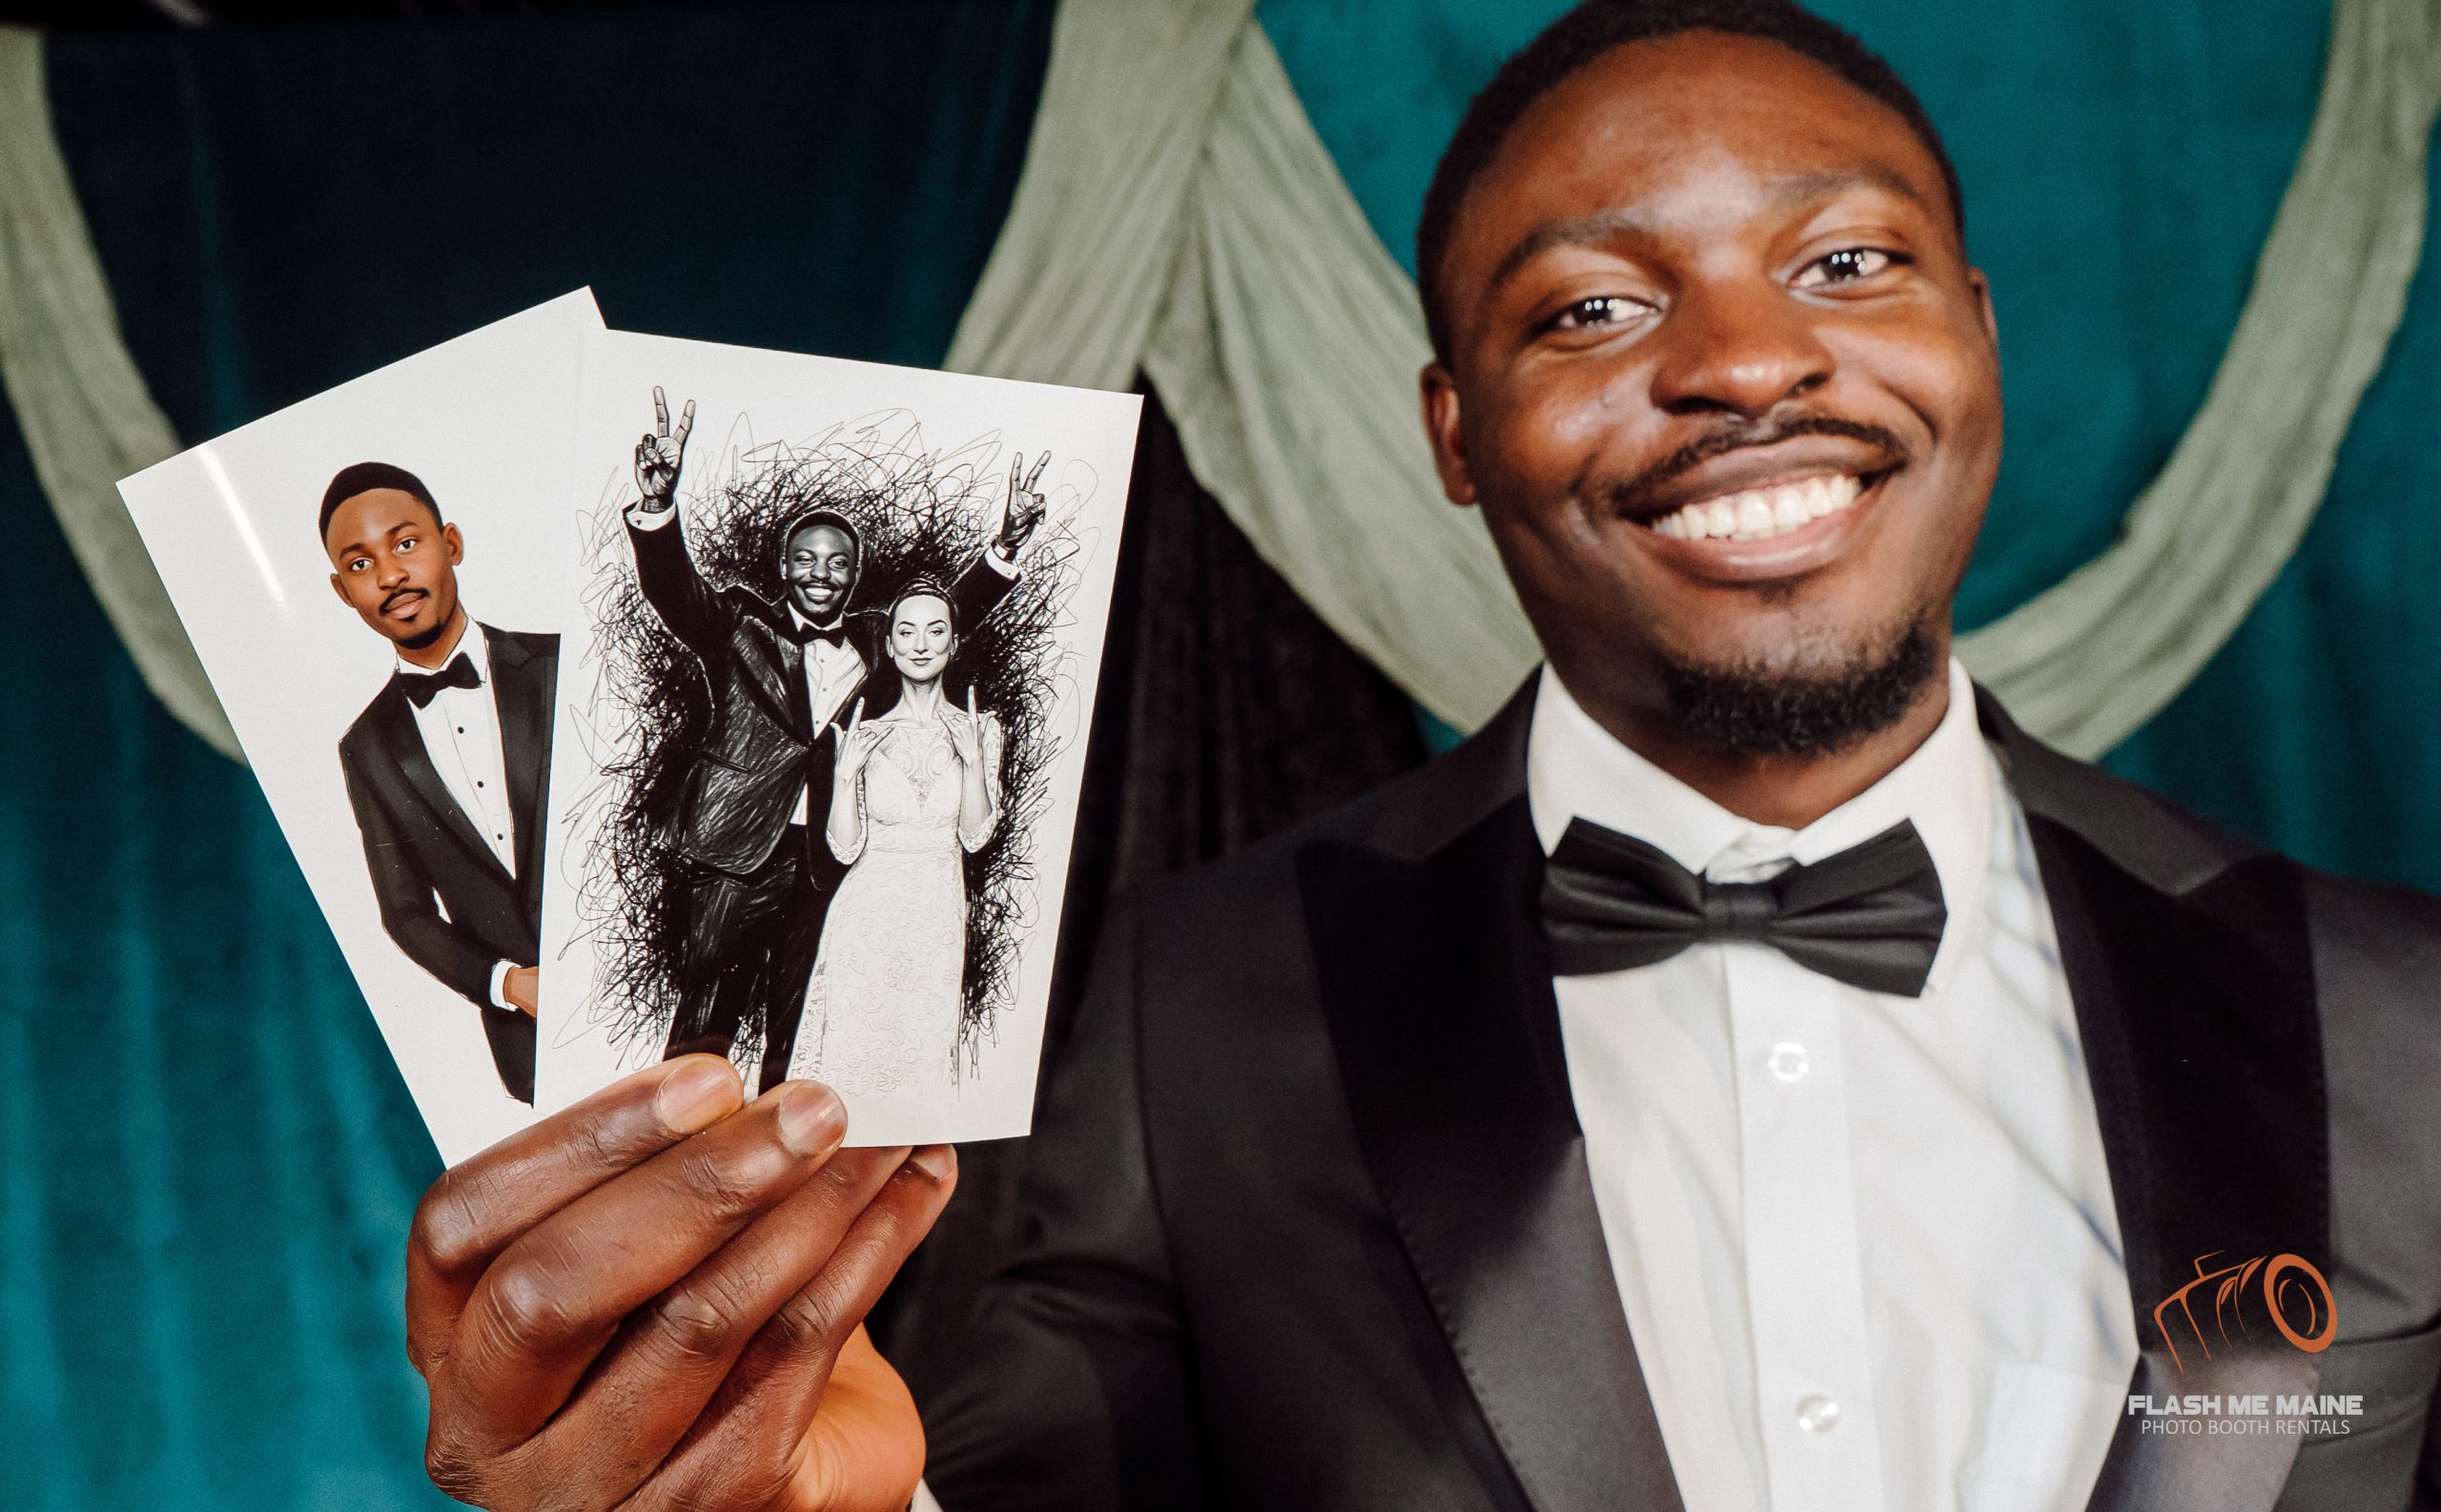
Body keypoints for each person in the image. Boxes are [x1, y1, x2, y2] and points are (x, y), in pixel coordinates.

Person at [399, 3, 2441, 1509]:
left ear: (1977, 333)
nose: (1744, 360)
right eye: (1590, 309)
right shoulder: (1198, 1007)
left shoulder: (2399, 1016)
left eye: (1843, 263)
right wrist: (796, 1497)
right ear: (1455, 436)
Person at [624, 389, 1045, 1088]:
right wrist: (658, 506)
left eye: (838, 563)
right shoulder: (737, 625)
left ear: (855, 574)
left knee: (796, 1039)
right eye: (807, 560)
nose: (822, 575)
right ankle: (677, 1144)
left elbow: (946, 616)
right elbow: (672, 588)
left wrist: (1004, 548)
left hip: (828, 862)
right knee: (702, 1030)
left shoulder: (881, 639)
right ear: (783, 567)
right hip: (735, 852)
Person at [328, 461, 552, 1106]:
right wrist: (508, 984)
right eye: (361, 563)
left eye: (405, 543)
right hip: (532, 1051)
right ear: (343, 591)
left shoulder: (561, 662)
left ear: (451, 543)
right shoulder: (364, 748)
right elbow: (405, 913)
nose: (390, 575)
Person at [789, 584, 1004, 1095]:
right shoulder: (865, 735)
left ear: (954, 643)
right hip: (865, 918)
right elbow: (845, 849)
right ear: (888, 645)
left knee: (921, 1065)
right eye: (906, 632)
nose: (921, 645)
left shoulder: (983, 729)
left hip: (936, 917)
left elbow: (975, 837)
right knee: (850, 1063)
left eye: (936, 631)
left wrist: (974, 761)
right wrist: (845, 775)